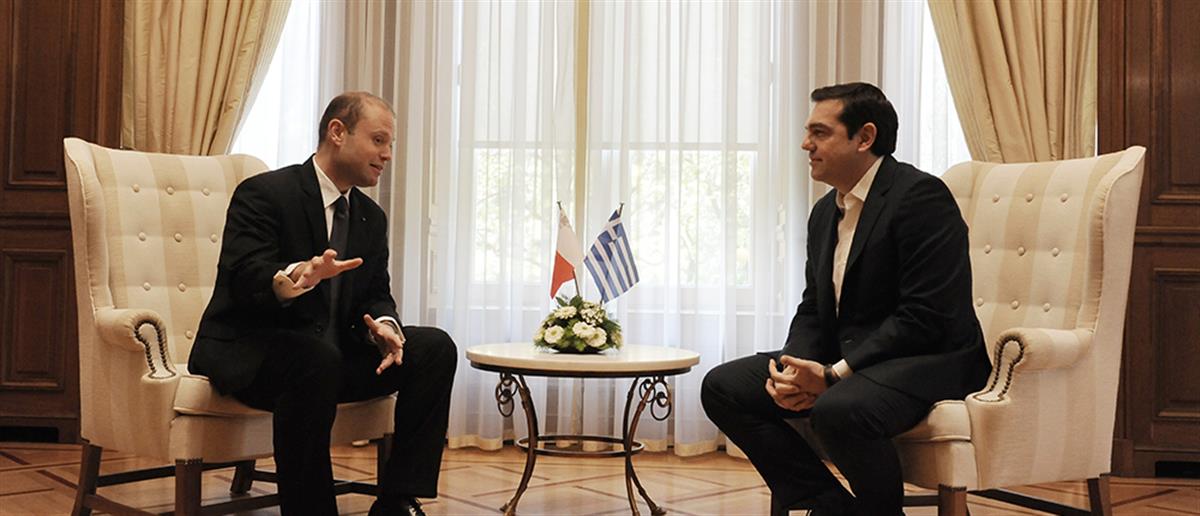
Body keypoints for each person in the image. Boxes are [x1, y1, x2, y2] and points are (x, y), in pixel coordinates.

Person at [700, 82, 991, 516]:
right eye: (808, 132)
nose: (806, 144)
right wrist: (795, 367)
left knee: (838, 409)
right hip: (852, 359)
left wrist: (833, 374)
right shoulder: (824, 212)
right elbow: (813, 306)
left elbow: (924, 317)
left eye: (819, 132)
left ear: (865, 137)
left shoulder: (921, 197)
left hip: (930, 360)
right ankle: (830, 506)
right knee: (723, 387)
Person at [189, 91, 456, 516]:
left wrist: (385, 326)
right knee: (315, 359)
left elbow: (376, 292)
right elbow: (243, 276)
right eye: (378, 140)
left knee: (434, 347)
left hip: (330, 359)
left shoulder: (371, 218)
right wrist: (296, 275)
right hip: (257, 355)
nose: (387, 155)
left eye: (390, 145)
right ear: (337, 132)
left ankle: (397, 501)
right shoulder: (265, 193)